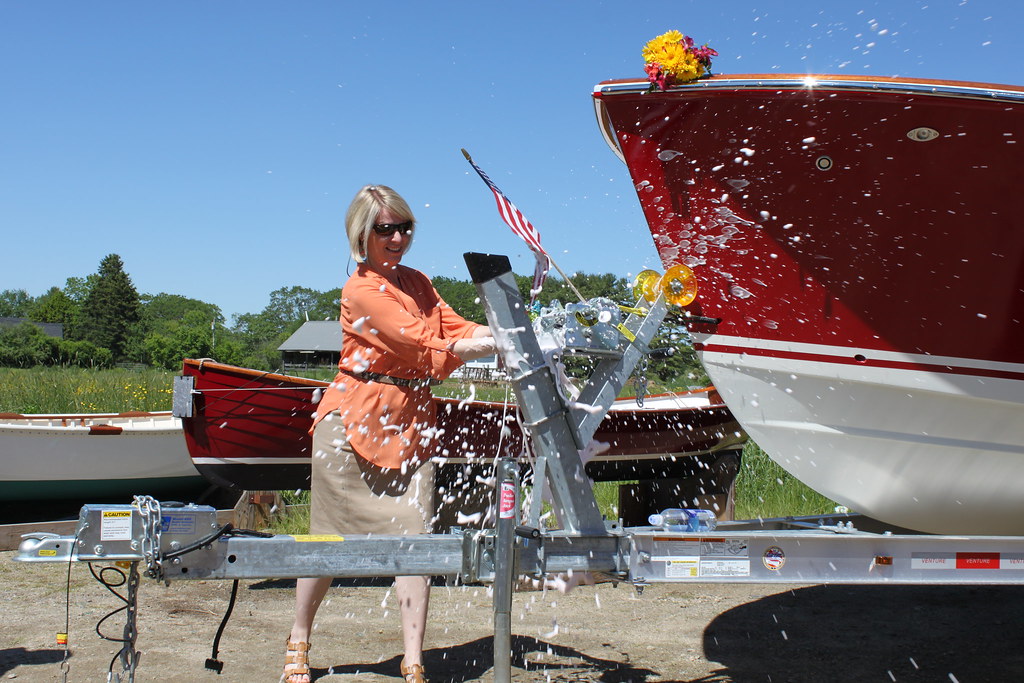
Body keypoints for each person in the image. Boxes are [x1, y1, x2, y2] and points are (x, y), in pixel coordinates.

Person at [283, 185, 495, 683]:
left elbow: (455, 327)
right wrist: (492, 345)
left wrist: (508, 331)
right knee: (326, 544)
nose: (398, 237)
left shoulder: (418, 281)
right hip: (351, 425)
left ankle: (414, 658)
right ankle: (298, 640)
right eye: (386, 229)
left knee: (416, 543)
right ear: (362, 233)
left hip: (412, 424)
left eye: (405, 227)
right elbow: (420, 340)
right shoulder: (360, 290)